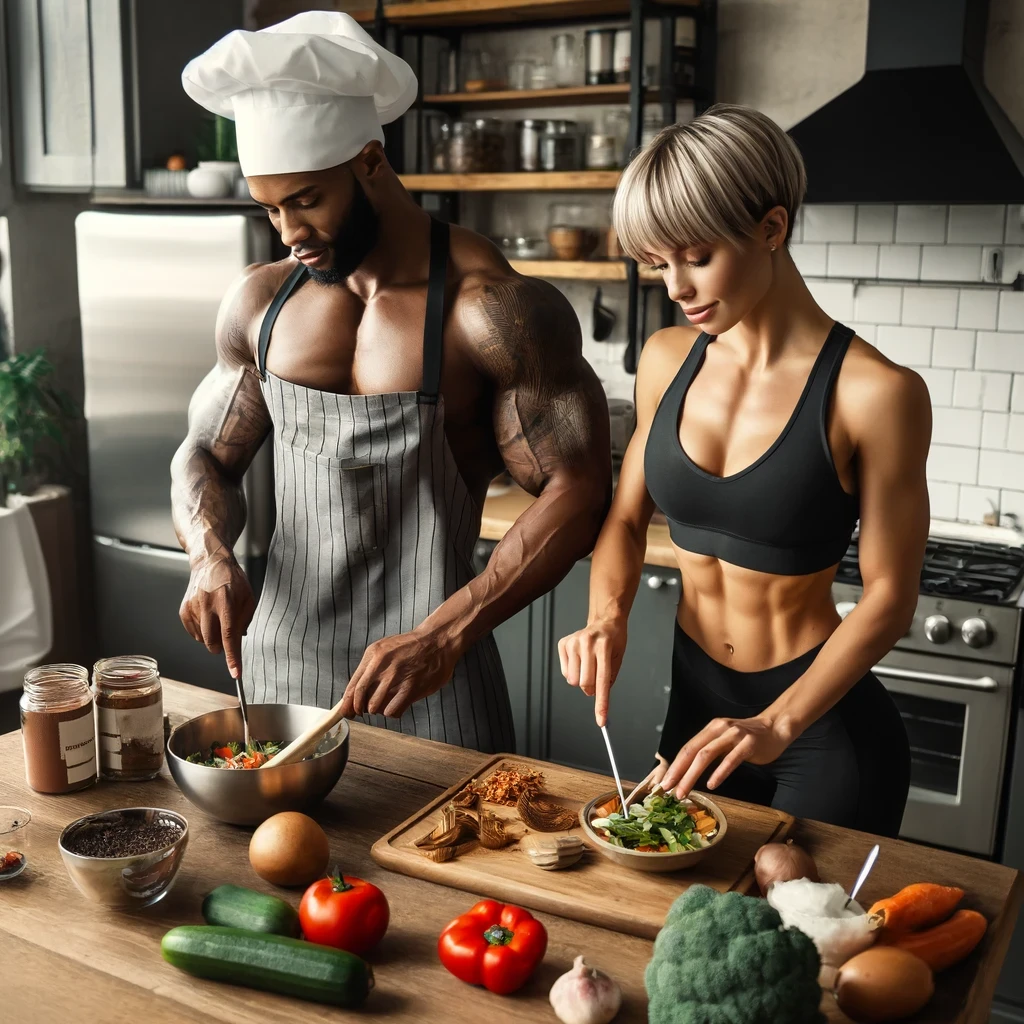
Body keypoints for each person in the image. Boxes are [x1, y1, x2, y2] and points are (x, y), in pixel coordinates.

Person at [172, 12, 610, 752]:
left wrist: (449, 632)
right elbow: (206, 457)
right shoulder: (261, 303)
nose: (289, 232)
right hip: (277, 677)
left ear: (371, 161)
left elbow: (579, 485)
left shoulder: (489, 308)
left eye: (307, 199)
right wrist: (207, 551)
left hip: (433, 677)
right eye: (271, 207)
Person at [558, 105, 930, 837]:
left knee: (808, 946)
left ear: (771, 228)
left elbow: (891, 595)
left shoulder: (876, 393)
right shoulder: (667, 359)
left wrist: (778, 721)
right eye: (657, 264)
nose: (676, 287)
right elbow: (627, 519)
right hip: (697, 711)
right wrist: (607, 616)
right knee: (682, 935)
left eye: (695, 256)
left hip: (819, 729)